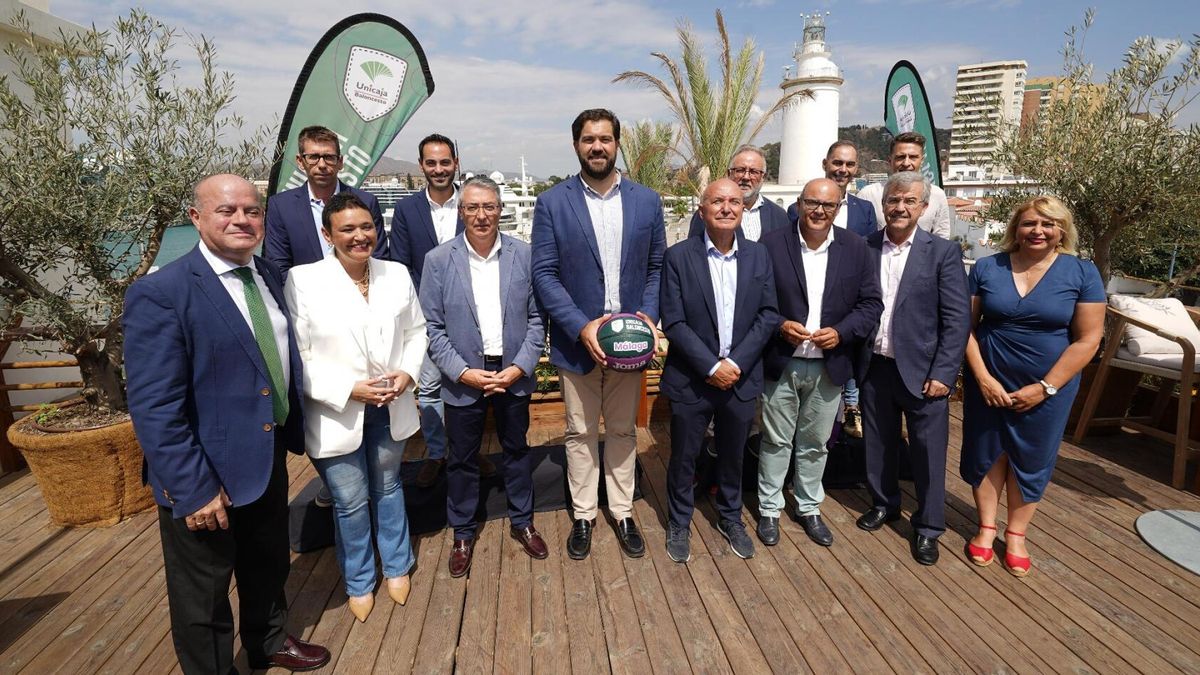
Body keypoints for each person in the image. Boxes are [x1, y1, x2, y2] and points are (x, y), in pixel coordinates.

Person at [125, 174, 330, 673]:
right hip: (204, 473)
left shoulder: (269, 276)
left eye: (252, 210)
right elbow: (154, 407)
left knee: (267, 563)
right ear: (196, 218)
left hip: (267, 453)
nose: (242, 219)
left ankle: (268, 640)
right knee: (203, 593)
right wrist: (193, 488)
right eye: (226, 210)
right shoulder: (162, 293)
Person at [284, 193, 427, 622]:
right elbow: (298, 358)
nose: (359, 235)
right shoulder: (303, 280)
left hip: (391, 403)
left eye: (366, 227)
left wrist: (407, 374)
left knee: (388, 487)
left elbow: (416, 331)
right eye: (347, 229)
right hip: (336, 410)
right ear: (328, 234)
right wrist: (350, 389)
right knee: (348, 501)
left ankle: (398, 566)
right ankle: (360, 580)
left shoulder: (396, 273)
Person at [532, 108, 666, 560]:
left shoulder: (647, 201)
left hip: (631, 342)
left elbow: (656, 268)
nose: (597, 147)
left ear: (617, 143)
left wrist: (647, 317)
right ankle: (585, 515)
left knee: (625, 431)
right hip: (578, 342)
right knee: (579, 432)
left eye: (605, 139)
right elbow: (545, 275)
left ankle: (623, 511)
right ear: (576, 145)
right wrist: (581, 325)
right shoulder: (553, 202)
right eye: (589, 139)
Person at [960, 195, 1104, 576]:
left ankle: (1018, 534)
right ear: (1015, 229)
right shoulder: (988, 267)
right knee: (987, 451)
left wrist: (1046, 387)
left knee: (1032, 458)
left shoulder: (1082, 273)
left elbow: (1088, 340)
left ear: (1062, 231)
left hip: (1050, 387)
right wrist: (983, 378)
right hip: (988, 381)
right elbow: (965, 328)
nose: (1037, 231)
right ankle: (986, 527)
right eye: (1028, 224)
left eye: (1047, 224)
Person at [420, 176, 548, 577]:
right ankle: (462, 531)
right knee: (461, 458)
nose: (481, 215)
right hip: (464, 376)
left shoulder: (524, 255)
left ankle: (523, 521)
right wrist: (464, 372)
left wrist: (519, 367)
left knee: (516, 450)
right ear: (461, 211)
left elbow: (535, 320)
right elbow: (431, 328)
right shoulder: (438, 260)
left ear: (500, 210)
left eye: (488, 207)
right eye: (472, 207)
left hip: (512, 371)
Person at [756, 178, 882, 547]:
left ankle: (809, 506)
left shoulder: (856, 248)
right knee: (776, 440)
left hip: (830, 363)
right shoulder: (771, 244)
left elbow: (871, 304)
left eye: (828, 205)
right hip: (783, 360)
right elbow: (757, 300)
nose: (819, 211)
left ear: (839, 209)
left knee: (816, 443)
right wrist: (780, 325)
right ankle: (769, 507)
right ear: (798, 204)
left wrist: (842, 333)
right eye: (812, 203)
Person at [660, 178, 779, 563]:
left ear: (743, 209)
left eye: (734, 201)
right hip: (693, 378)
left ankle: (731, 518)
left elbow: (768, 314)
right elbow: (674, 322)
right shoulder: (678, 257)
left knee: (733, 455)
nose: (727, 207)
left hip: (741, 378)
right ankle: (679, 521)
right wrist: (711, 365)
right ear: (702, 210)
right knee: (683, 457)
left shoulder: (760, 256)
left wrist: (735, 363)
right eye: (717, 201)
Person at [857, 172, 970, 565]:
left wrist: (944, 373)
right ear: (883, 204)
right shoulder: (865, 247)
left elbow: (957, 320)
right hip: (875, 366)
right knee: (879, 444)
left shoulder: (942, 252)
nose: (900, 208)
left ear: (923, 208)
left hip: (924, 372)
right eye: (894, 200)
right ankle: (884, 503)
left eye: (910, 201)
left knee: (927, 452)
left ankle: (928, 527)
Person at [387, 134, 496, 487]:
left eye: (445, 162)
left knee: (470, 388)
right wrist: (423, 314)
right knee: (431, 389)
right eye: (431, 163)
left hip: (472, 319)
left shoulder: (471, 204)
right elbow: (401, 266)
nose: (439, 169)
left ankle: (467, 450)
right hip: (426, 319)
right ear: (421, 166)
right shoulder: (406, 210)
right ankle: (437, 453)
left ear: (456, 163)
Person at [788, 140, 880, 438]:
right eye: (837, 162)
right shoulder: (796, 208)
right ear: (825, 163)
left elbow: (867, 259)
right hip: (804, 325)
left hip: (845, 316)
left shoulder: (865, 210)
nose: (843, 169)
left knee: (827, 422)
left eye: (850, 164)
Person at [265, 125, 385, 279]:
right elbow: (279, 266)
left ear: (340, 162)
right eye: (313, 157)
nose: (321, 165)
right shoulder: (282, 207)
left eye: (329, 157)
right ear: (300, 161)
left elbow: (379, 257)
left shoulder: (366, 202)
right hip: (305, 298)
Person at [857, 132, 952, 239]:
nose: (906, 163)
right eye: (900, 157)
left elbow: (942, 236)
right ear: (890, 160)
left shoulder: (936, 194)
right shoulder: (868, 194)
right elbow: (857, 236)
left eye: (913, 157)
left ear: (922, 161)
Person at [687, 145, 789, 241]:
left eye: (753, 172)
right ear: (729, 173)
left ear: (763, 177)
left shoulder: (779, 216)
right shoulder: (708, 213)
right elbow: (693, 253)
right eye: (740, 170)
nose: (746, 177)